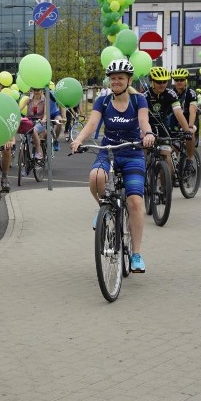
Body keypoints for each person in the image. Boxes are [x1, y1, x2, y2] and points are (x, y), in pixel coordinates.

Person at [71, 59, 155, 273]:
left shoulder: (139, 100)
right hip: (108, 151)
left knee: (135, 201)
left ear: (128, 80)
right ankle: (103, 207)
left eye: (120, 78)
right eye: (113, 78)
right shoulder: (103, 101)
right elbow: (92, 124)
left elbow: (144, 122)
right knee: (95, 177)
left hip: (132, 152)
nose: (116, 81)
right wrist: (79, 139)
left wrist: (148, 134)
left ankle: (136, 254)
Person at [145, 66, 194, 175]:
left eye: (165, 81)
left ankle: (165, 189)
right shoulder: (145, 96)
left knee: (167, 158)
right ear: (152, 81)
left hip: (164, 130)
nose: (162, 84)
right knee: (142, 156)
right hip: (148, 129)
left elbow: (178, 112)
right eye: (159, 82)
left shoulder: (171, 94)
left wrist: (186, 130)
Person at [19, 87, 63, 158]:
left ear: (41, 90)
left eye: (38, 90)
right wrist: (18, 116)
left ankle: (39, 151)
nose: (36, 92)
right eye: (34, 90)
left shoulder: (44, 100)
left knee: (34, 130)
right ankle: (26, 160)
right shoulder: (28, 99)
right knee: (27, 137)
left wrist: (44, 119)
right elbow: (19, 109)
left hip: (40, 121)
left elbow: (46, 114)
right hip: (30, 120)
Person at [170, 68, 199, 167]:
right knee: (174, 146)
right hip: (176, 120)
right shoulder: (171, 92)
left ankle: (189, 159)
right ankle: (174, 165)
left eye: (181, 80)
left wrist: (190, 126)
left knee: (190, 134)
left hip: (189, 118)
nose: (179, 82)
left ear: (186, 80)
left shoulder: (191, 93)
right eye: (176, 80)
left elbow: (193, 110)